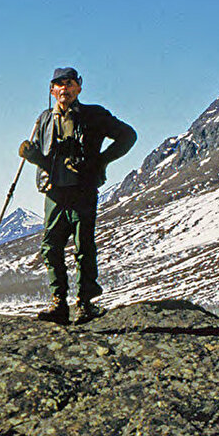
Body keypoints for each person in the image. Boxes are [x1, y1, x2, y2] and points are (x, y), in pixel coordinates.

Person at [19, 66, 136, 325]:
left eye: (70, 83)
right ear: (52, 90)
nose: (64, 88)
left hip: (82, 190)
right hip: (54, 192)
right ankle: (59, 303)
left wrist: (101, 162)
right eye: (59, 84)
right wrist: (32, 155)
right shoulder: (44, 119)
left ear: (79, 88)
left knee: (84, 247)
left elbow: (128, 136)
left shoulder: (94, 115)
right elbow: (45, 159)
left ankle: (86, 304)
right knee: (51, 247)